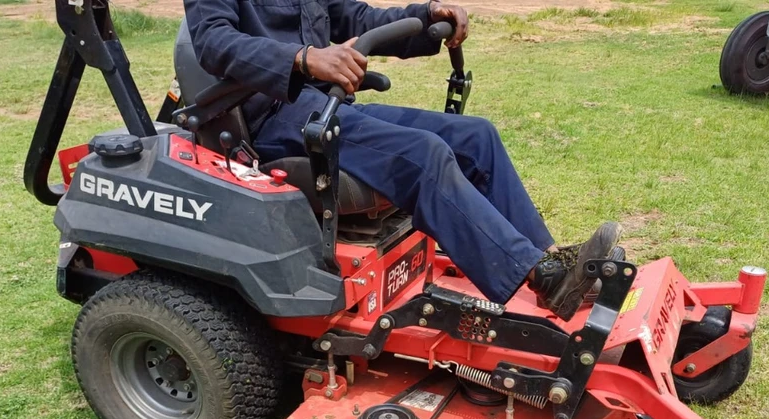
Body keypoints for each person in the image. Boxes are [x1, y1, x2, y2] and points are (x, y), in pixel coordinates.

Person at [183, 0, 624, 319]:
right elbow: (213, 41)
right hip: (273, 118)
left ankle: (553, 267)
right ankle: (536, 273)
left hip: (323, 104)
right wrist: (305, 58)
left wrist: (424, 16)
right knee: (424, 155)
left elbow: (355, 17)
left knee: (476, 136)